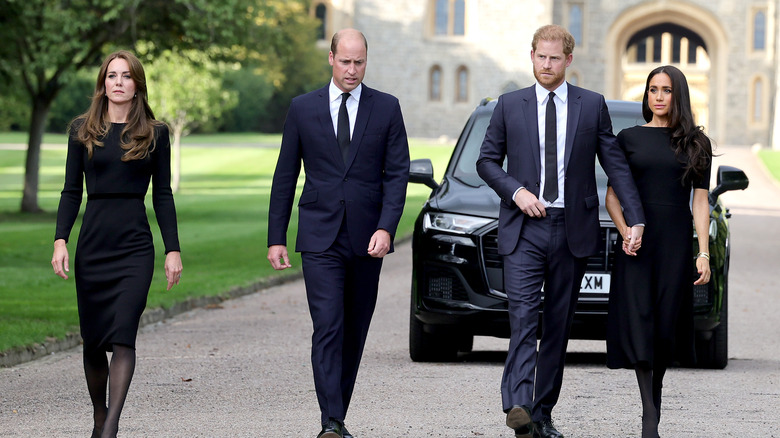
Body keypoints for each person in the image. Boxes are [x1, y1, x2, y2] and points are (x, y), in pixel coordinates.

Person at [476, 24, 646, 438]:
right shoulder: (508, 105)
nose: (546, 65)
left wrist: (636, 217)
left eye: (554, 58)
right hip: (524, 227)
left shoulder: (591, 106)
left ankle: (542, 413)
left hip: (572, 228)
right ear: (531, 56)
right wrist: (516, 192)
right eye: (540, 57)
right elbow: (486, 161)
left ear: (568, 60)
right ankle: (517, 402)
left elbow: (615, 164)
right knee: (522, 317)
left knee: (557, 325)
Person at [266, 28, 409, 438]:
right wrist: (276, 236)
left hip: (368, 238)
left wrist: (386, 228)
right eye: (345, 61)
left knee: (355, 328)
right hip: (319, 236)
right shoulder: (302, 108)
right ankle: (331, 420)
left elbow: (397, 176)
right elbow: (285, 175)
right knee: (327, 324)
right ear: (330, 58)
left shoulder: (386, 108)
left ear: (367, 60)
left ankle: (336, 414)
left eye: (359, 62)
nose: (352, 70)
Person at [51, 50, 182, 438]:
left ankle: (110, 429)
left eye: (126, 76)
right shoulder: (82, 130)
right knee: (93, 342)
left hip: (134, 246)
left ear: (137, 84)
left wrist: (172, 248)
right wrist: (61, 240)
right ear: (103, 83)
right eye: (112, 76)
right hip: (94, 243)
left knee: (124, 333)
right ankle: (98, 416)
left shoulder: (154, 133)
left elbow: (163, 195)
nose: (119, 82)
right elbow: (71, 191)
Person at [605, 65, 712, 438]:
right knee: (640, 321)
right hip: (638, 245)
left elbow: (701, 202)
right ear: (647, 95)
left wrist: (703, 252)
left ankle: (655, 401)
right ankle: (650, 416)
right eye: (653, 90)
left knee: (665, 326)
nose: (659, 96)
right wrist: (625, 232)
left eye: (666, 90)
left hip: (675, 243)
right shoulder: (628, 138)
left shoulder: (697, 142)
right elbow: (613, 196)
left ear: (678, 94)